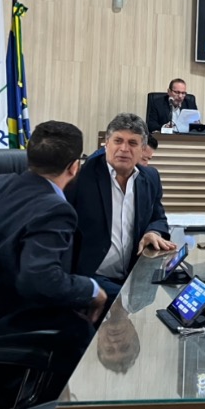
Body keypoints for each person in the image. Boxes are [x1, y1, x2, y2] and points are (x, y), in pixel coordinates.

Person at [0, 120, 106, 361]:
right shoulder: (55, 209)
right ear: (74, 167)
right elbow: (41, 279)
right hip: (13, 339)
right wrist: (92, 290)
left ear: (29, 157)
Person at [68, 113, 176, 301]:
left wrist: (153, 232)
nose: (124, 149)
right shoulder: (80, 178)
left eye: (132, 143)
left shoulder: (150, 178)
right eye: (118, 141)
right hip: (92, 278)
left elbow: (158, 218)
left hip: (134, 275)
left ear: (142, 149)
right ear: (106, 143)